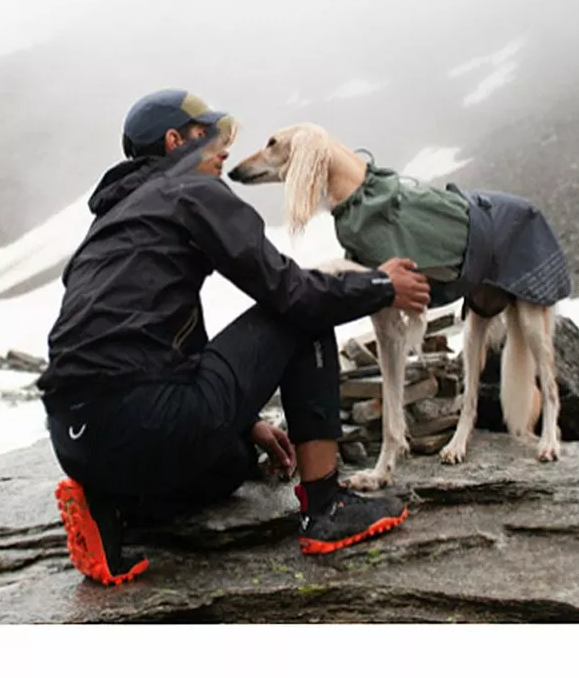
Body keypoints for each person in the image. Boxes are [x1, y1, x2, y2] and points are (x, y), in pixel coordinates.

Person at [37, 88, 431, 585]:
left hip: (75, 440)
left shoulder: (108, 224)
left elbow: (154, 335)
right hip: (148, 419)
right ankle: (326, 506)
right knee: (301, 314)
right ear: (175, 141)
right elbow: (292, 293)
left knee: (232, 463)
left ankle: (113, 507)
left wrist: (245, 423)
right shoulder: (191, 191)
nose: (224, 149)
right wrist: (379, 286)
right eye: (210, 134)